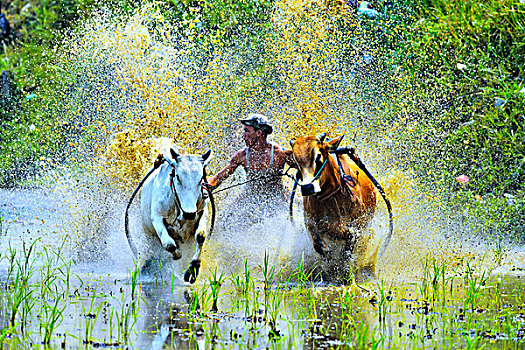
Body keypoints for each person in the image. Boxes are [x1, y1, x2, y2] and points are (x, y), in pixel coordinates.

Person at [208, 113, 295, 227]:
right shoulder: (242, 155)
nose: (243, 136)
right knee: (221, 223)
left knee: (301, 215)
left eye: (246, 131)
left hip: (278, 199)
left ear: (259, 133)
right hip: (249, 201)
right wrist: (206, 187)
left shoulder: (279, 153)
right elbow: (219, 177)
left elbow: (304, 168)